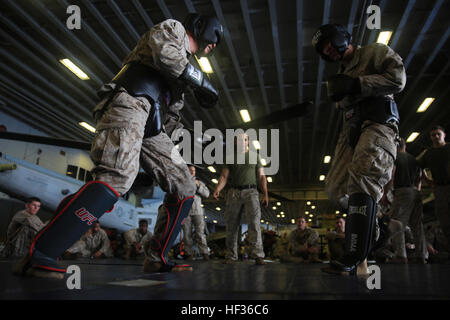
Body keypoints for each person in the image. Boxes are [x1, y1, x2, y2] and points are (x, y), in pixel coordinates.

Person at [14, 13, 223, 278]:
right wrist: (203, 83)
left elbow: (171, 121)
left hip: (152, 123)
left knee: (184, 185)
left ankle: (156, 256)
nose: (214, 45)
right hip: (131, 102)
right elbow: (167, 56)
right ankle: (41, 253)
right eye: (215, 37)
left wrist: (198, 139)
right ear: (201, 27)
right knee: (119, 177)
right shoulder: (175, 29)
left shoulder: (183, 80)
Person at [312, 23, 406, 275]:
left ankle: (354, 253)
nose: (328, 50)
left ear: (343, 37)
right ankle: (376, 224)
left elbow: (398, 79)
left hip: (377, 122)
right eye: (323, 49)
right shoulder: (341, 73)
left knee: (364, 178)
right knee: (334, 188)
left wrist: (358, 84)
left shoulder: (373, 52)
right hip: (351, 129)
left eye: (330, 43)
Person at [213, 133, 269, 265]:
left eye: (244, 139)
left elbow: (261, 177)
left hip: (251, 192)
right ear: (235, 143)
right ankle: (231, 256)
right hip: (234, 192)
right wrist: (218, 189)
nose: (242, 142)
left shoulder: (255, 156)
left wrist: (266, 194)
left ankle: (258, 255)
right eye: (239, 140)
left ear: (248, 142)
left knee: (254, 223)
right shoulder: (230, 158)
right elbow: (224, 176)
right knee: (231, 224)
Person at [382, 138, 427, 263]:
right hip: (415, 192)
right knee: (417, 225)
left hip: (402, 191)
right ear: (405, 146)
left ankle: (401, 255)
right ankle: (422, 255)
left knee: (397, 223)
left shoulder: (395, 158)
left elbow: (392, 176)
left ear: (395, 145)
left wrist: (385, 194)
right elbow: (421, 176)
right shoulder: (414, 159)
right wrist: (416, 190)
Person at [417, 125, 450, 256]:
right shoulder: (429, 153)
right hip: (440, 188)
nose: (436, 137)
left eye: (438, 134)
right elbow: (419, 167)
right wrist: (428, 180)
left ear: (444, 135)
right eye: (433, 135)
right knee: (445, 221)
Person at [182, 165, 210, 261]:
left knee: (200, 233)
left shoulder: (199, 183)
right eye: (190, 170)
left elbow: (207, 194)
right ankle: (189, 254)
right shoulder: (182, 182)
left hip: (197, 211)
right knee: (186, 233)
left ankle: (205, 253)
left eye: (193, 170)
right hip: (185, 211)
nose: (192, 172)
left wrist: (198, 186)